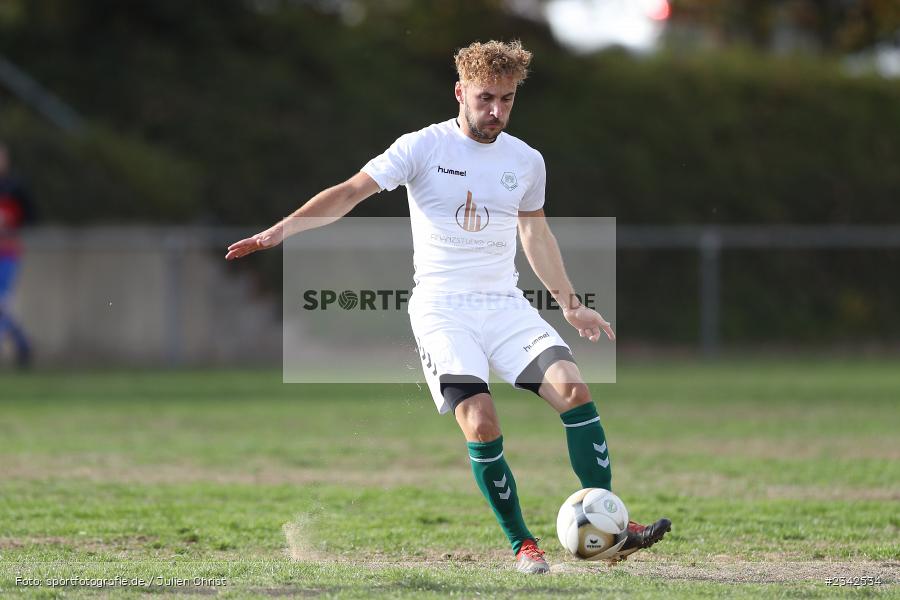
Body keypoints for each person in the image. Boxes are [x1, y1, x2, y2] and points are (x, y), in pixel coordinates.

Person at [226, 40, 670, 573]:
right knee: (481, 422)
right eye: (486, 98)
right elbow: (349, 191)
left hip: (504, 304)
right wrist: (282, 230)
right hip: (443, 309)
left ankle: (611, 524)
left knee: (575, 390)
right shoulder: (421, 148)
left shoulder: (526, 161)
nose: (496, 111)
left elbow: (537, 236)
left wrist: (571, 305)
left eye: (507, 100)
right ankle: (522, 544)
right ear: (460, 92)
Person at [0, 142, 34, 368]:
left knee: (2, 301)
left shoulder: (16, 187)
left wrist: (9, 223)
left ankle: (21, 344)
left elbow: (32, 217)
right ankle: (22, 343)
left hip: (7, 253)